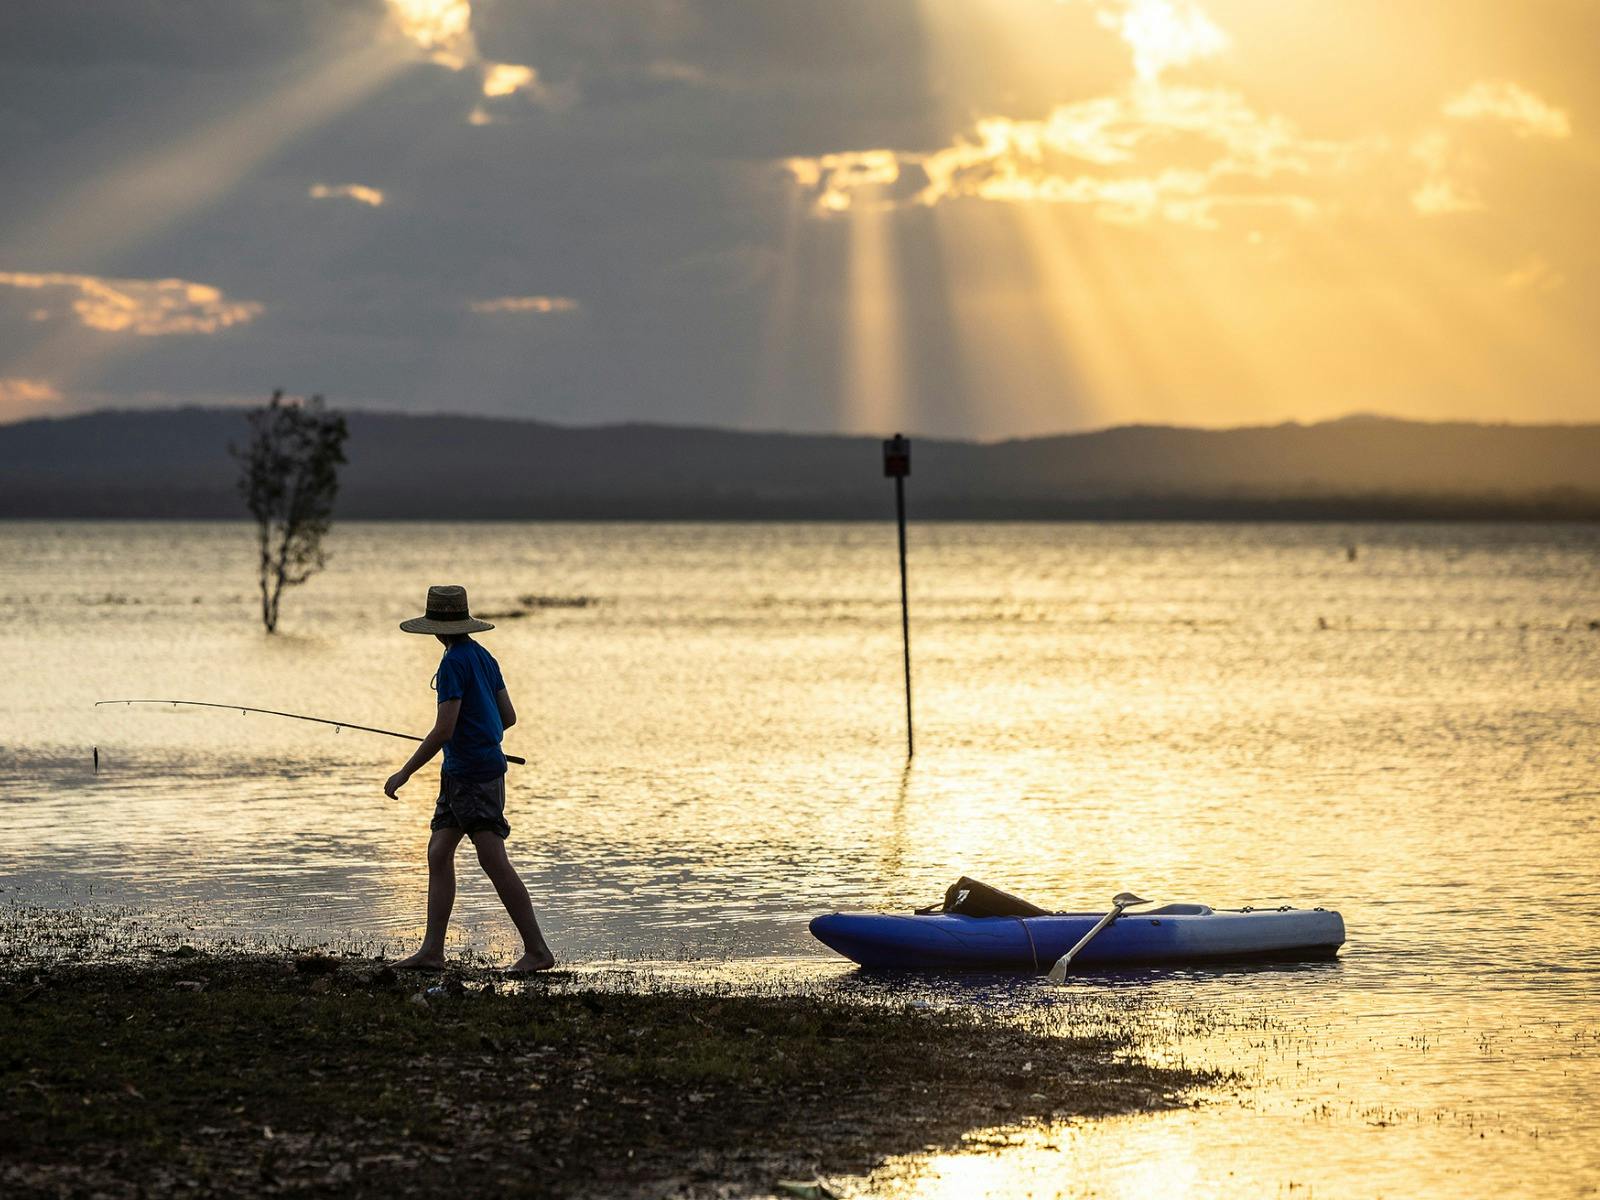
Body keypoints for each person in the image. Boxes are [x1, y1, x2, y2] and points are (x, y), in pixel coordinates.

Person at [385, 584, 555, 975]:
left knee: (493, 859)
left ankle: (537, 950)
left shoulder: (452, 665)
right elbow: (507, 717)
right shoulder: (483, 657)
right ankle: (432, 951)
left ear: (436, 629)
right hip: (467, 771)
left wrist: (404, 772)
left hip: (472, 775)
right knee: (438, 852)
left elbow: (444, 729)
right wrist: (479, 732)